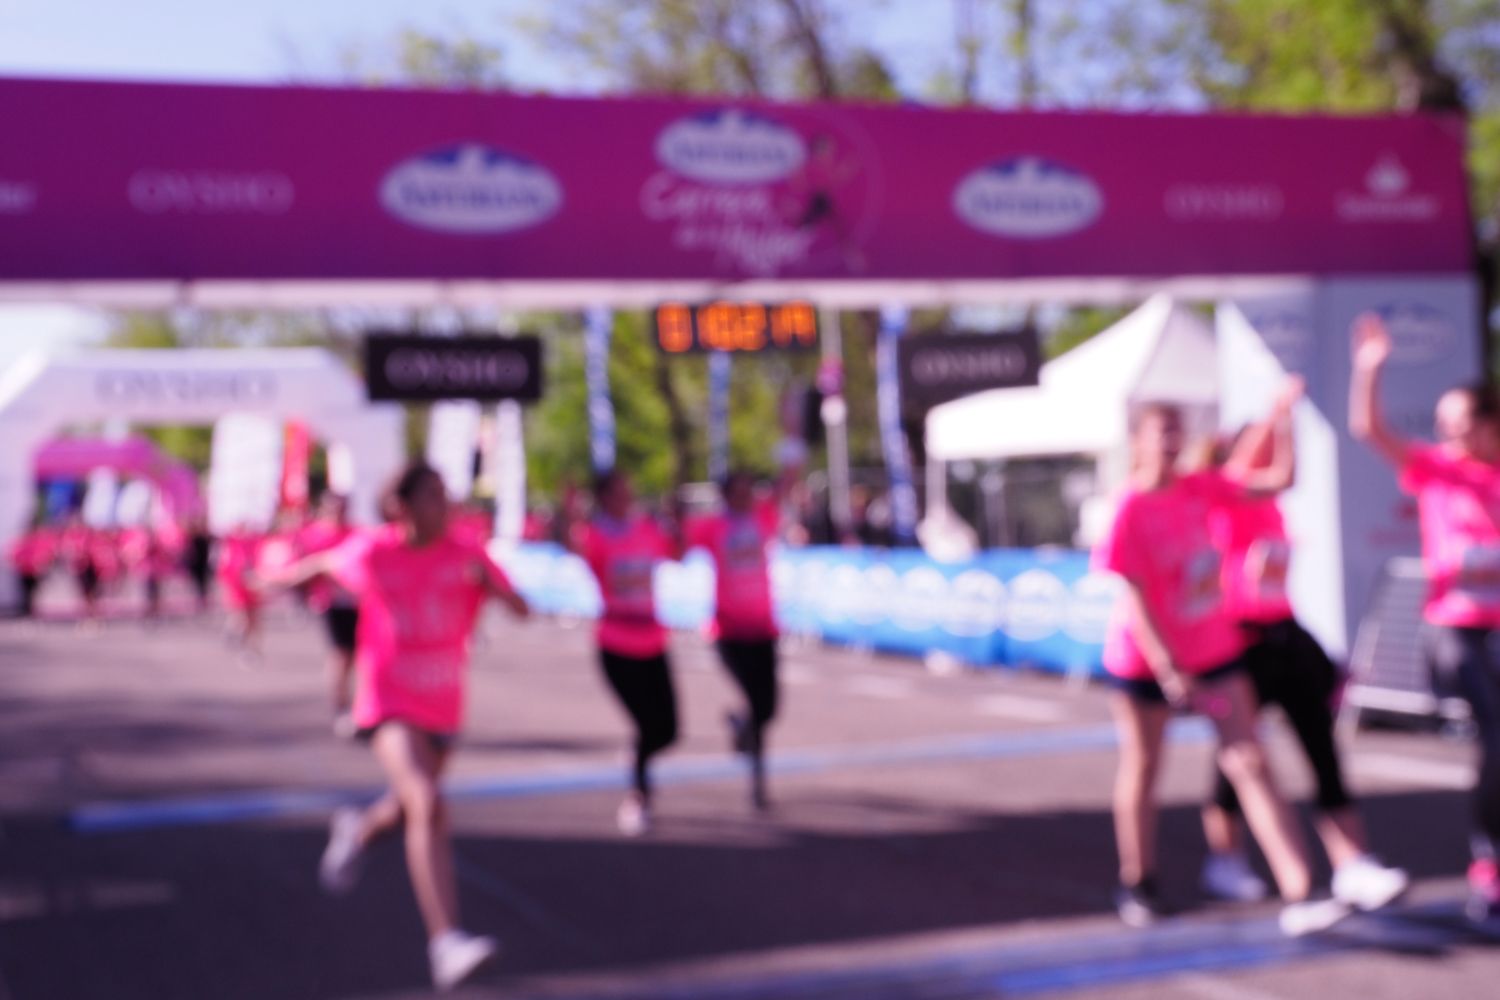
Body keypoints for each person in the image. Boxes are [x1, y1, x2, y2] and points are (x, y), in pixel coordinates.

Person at [259, 462, 530, 991]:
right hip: (389, 700)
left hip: (444, 703)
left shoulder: (466, 552)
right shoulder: (373, 551)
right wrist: (273, 581)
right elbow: (323, 564)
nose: (445, 505)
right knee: (427, 800)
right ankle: (446, 942)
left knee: (409, 806)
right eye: (432, 496)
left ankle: (357, 831)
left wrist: (495, 590)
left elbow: (522, 609)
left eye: (445, 494)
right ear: (400, 507)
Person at [1095, 398, 1347, 935]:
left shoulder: (1200, 487)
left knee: (1250, 759)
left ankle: (1300, 889)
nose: (1172, 441)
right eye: (1161, 431)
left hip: (1213, 649)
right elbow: (1135, 597)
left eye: (1178, 430)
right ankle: (1139, 882)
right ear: (1138, 440)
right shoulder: (1129, 507)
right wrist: (1167, 667)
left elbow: (1279, 480)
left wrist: (1282, 421)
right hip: (1146, 659)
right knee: (1144, 766)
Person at [1196, 382, 1409, 912]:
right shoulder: (1222, 493)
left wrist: (1284, 424)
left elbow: (1285, 474)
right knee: (1238, 760)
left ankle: (1353, 862)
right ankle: (1225, 857)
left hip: (1282, 635)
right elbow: (1254, 467)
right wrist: (1277, 415)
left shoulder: (1271, 505)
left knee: (1321, 747)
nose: (1271, 455)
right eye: (1262, 446)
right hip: (1237, 643)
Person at [1349, 311, 1500, 920]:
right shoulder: (1438, 470)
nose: (1448, 435)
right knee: (1497, 737)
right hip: (1458, 631)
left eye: (1459, 425)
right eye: (1442, 426)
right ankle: (1489, 866)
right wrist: (1369, 369)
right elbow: (1369, 429)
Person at [567, 470, 681, 837]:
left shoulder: (647, 528)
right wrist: (569, 514)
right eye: (618, 492)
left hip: (654, 643)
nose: (627, 497)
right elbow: (574, 547)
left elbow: (677, 553)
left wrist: (677, 521)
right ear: (604, 498)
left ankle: (638, 758)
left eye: (628, 490)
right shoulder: (596, 535)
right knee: (646, 725)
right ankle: (639, 797)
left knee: (669, 731)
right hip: (616, 646)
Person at [683, 466, 795, 811]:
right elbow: (677, 545)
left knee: (768, 709)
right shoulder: (712, 526)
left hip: (764, 630)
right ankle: (758, 788)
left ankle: (741, 726)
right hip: (729, 632)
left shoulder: (765, 516)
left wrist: (794, 443)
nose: (748, 496)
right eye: (741, 491)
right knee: (756, 704)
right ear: (726, 496)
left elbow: (788, 481)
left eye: (751, 490)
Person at [296, 493, 362, 735]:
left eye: (343, 508)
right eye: (334, 509)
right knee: (341, 655)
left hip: (358, 603)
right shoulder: (312, 534)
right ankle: (340, 707)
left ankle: (358, 706)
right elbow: (301, 566)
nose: (339, 513)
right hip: (330, 603)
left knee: (357, 657)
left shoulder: (356, 533)